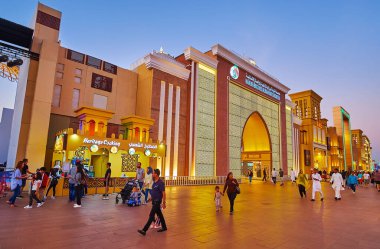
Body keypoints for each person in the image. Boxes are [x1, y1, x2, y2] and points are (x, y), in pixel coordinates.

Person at [138, 169, 167, 235]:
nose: (152, 174)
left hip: (157, 202)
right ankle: (164, 227)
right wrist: (150, 199)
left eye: (153, 173)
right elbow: (154, 193)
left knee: (151, 215)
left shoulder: (160, 183)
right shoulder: (154, 183)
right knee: (160, 215)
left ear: (156, 174)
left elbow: (164, 193)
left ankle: (144, 230)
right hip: (154, 201)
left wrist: (164, 202)